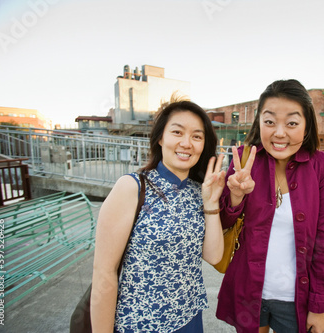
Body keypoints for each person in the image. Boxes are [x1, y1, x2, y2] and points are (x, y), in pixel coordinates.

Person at [216, 79, 324, 333]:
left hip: (298, 299)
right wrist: (236, 197)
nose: (279, 133)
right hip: (249, 292)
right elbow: (222, 227)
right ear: (259, 122)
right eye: (270, 121)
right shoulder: (243, 160)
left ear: (306, 126)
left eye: (292, 123)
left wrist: (320, 304)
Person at [90, 99, 225, 332]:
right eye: (177, 132)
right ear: (161, 138)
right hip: (141, 323)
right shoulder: (132, 187)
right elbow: (104, 273)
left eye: (196, 136)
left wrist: (211, 203)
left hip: (190, 320)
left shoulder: (199, 191)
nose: (186, 143)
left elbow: (213, 257)